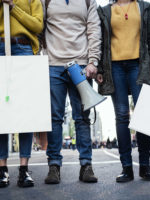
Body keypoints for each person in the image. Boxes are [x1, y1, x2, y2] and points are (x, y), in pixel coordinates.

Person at [97, 0, 150, 183]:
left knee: (142, 116)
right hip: (115, 68)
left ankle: (145, 166)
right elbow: (101, 43)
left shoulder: (143, 7)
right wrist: (100, 69)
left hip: (139, 65)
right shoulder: (104, 11)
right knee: (121, 115)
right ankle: (126, 167)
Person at [40, 0, 101, 184]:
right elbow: (39, 26)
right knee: (54, 118)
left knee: (82, 118)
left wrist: (93, 60)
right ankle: (54, 166)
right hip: (53, 65)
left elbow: (94, 30)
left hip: (81, 65)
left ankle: (86, 165)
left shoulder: (89, 1)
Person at [0, 0, 43, 188]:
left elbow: (37, 25)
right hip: (0, 48)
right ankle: (2, 168)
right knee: (2, 111)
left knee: (25, 111)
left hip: (25, 48)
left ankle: (24, 169)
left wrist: (13, 7)